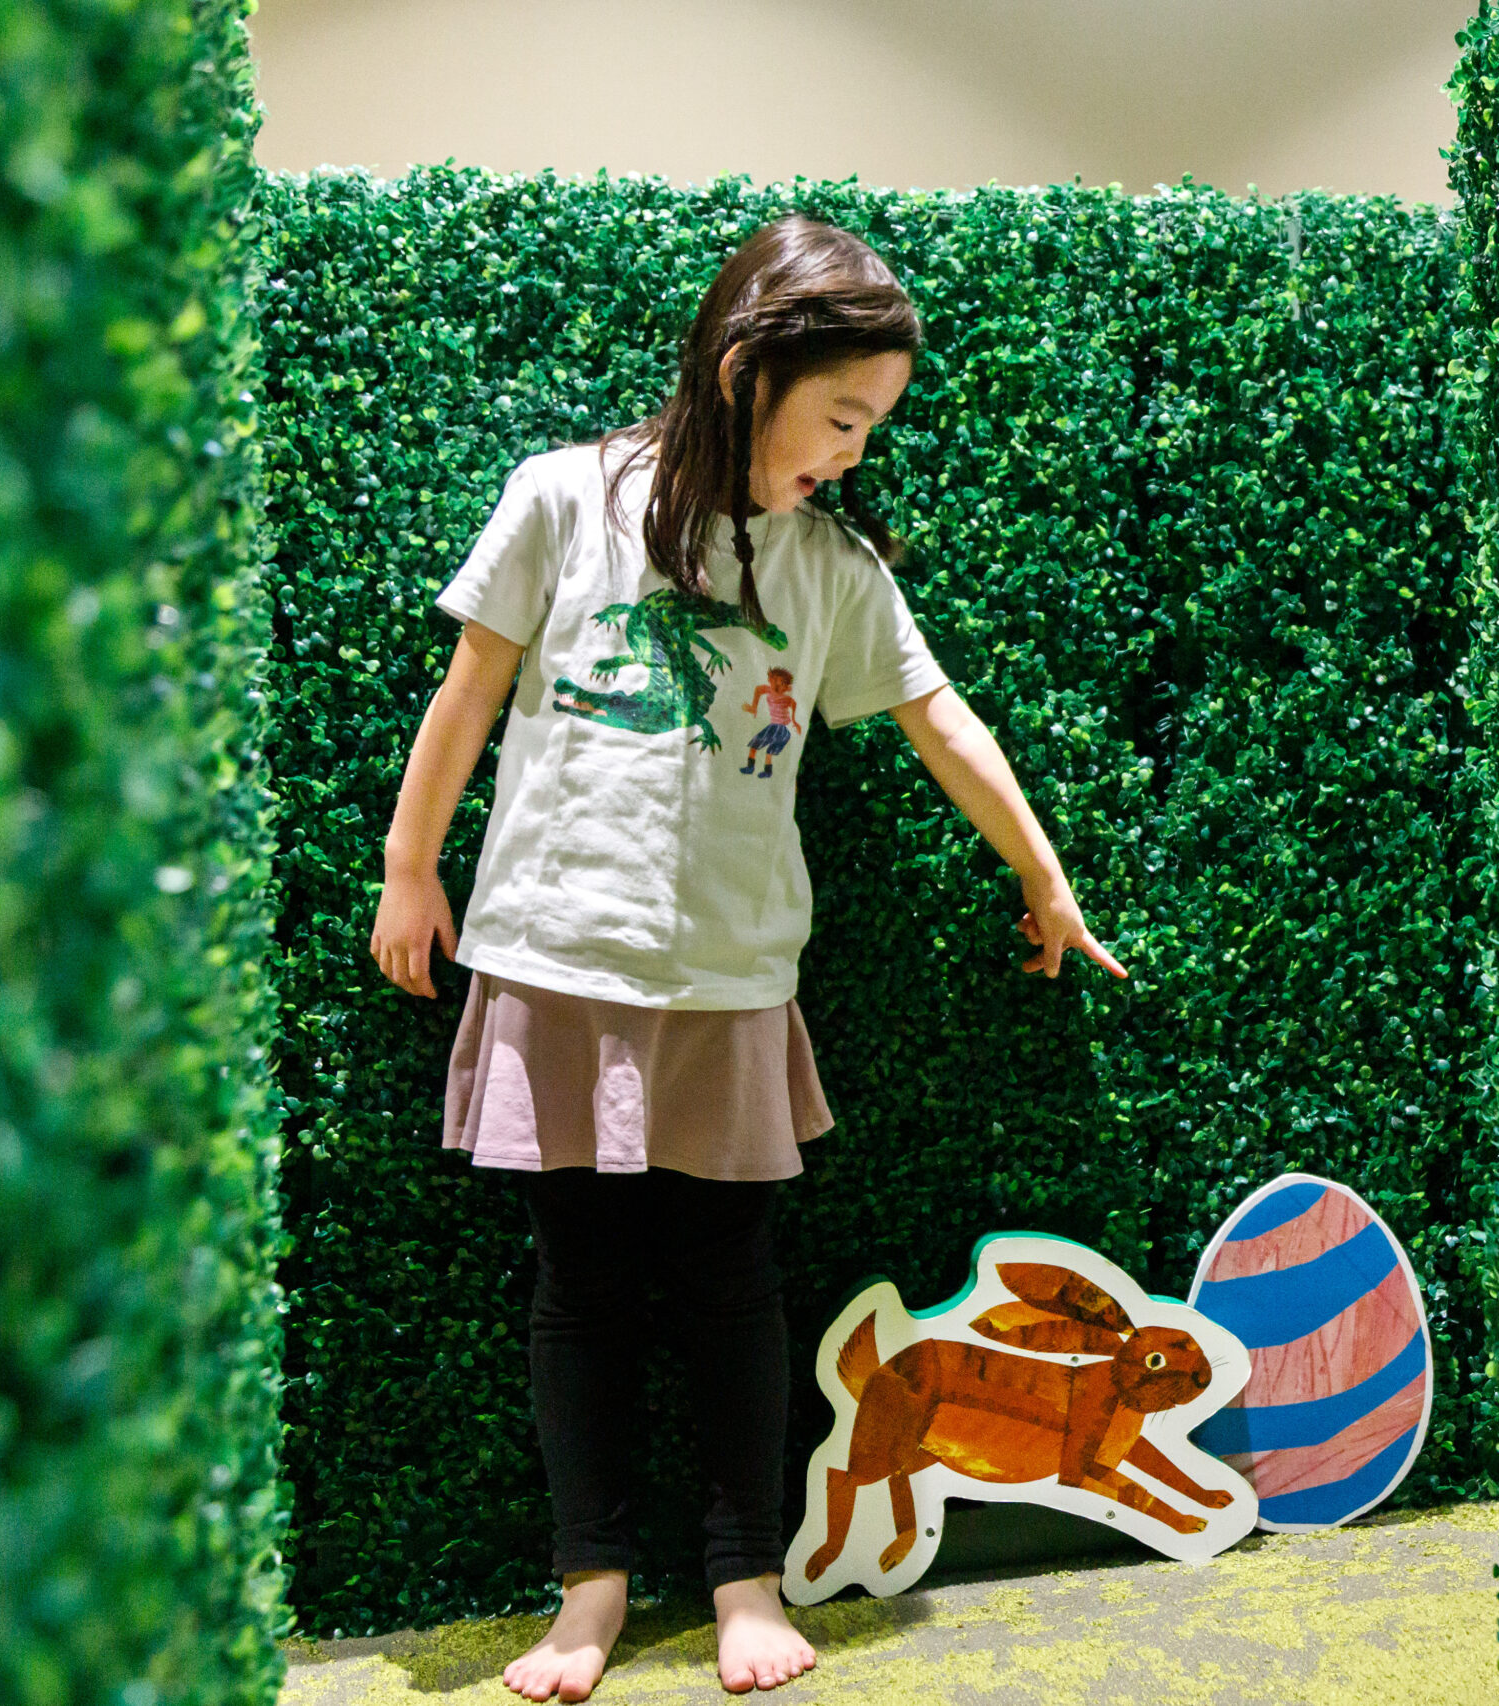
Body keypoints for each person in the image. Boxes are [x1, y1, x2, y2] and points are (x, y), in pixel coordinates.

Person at [367, 214, 1127, 1701]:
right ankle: (589, 1586)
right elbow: (470, 687)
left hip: (731, 979)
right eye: (840, 416)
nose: (854, 451)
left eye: (873, 425)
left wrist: (1044, 877)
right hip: (555, 958)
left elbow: (940, 720)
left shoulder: (829, 565)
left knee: (729, 1283)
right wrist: (410, 866)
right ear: (744, 372)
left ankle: (743, 1577)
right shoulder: (563, 499)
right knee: (579, 1284)